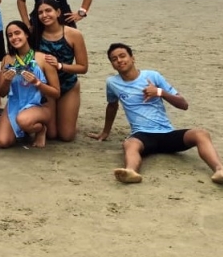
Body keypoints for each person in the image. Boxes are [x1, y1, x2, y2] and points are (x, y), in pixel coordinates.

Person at [88, 43, 223, 185]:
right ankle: (131, 172)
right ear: (112, 65)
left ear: (133, 58)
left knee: (200, 133)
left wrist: (159, 92)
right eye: (114, 59)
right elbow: (112, 106)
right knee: (129, 143)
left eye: (123, 56)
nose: (119, 60)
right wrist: (105, 132)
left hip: (166, 133)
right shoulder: (112, 83)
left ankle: (219, 170)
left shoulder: (152, 76)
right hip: (142, 136)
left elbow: (183, 105)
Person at [0, 21, 60, 149]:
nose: (14, 37)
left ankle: (40, 129)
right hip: (15, 104)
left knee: (23, 120)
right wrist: (6, 80)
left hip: (39, 105)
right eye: (10, 35)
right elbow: (1, 93)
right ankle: (24, 129)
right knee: (3, 142)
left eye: (17, 33)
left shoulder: (43, 59)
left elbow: (56, 92)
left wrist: (37, 83)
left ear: (26, 34)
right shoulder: (7, 59)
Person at [32, 0, 88, 141]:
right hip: (47, 87)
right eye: (40, 13)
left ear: (58, 12)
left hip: (68, 84)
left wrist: (60, 66)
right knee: (51, 135)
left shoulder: (74, 34)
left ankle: (68, 118)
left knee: (66, 136)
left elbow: (83, 67)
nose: (44, 15)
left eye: (48, 11)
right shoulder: (35, 34)